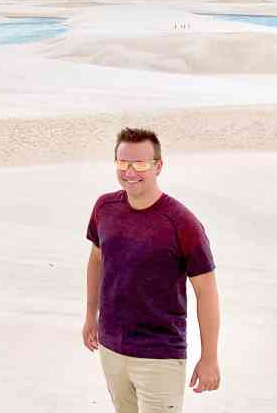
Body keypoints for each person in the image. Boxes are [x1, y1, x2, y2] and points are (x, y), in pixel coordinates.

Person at [82, 127, 220, 413]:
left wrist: (209, 357)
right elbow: (96, 259)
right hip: (111, 348)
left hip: (159, 355)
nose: (130, 171)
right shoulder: (104, 208)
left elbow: (206, 291)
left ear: (158, 166)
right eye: (123, 162)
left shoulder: (182, 223)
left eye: (140, 163)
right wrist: (90, 316)